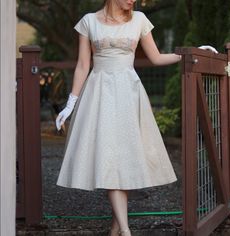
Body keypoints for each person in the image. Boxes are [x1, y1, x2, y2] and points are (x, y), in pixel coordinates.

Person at [55, 0, 218, 235]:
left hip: (129, 95)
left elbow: (156, 57)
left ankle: (116, 229)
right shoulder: (88, 22)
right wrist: (71, 103)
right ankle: (126, 230)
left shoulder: (139, 20)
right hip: (99, 94)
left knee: (124, 157)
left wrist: (192, 53)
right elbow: (82, 65)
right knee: (109, 157)